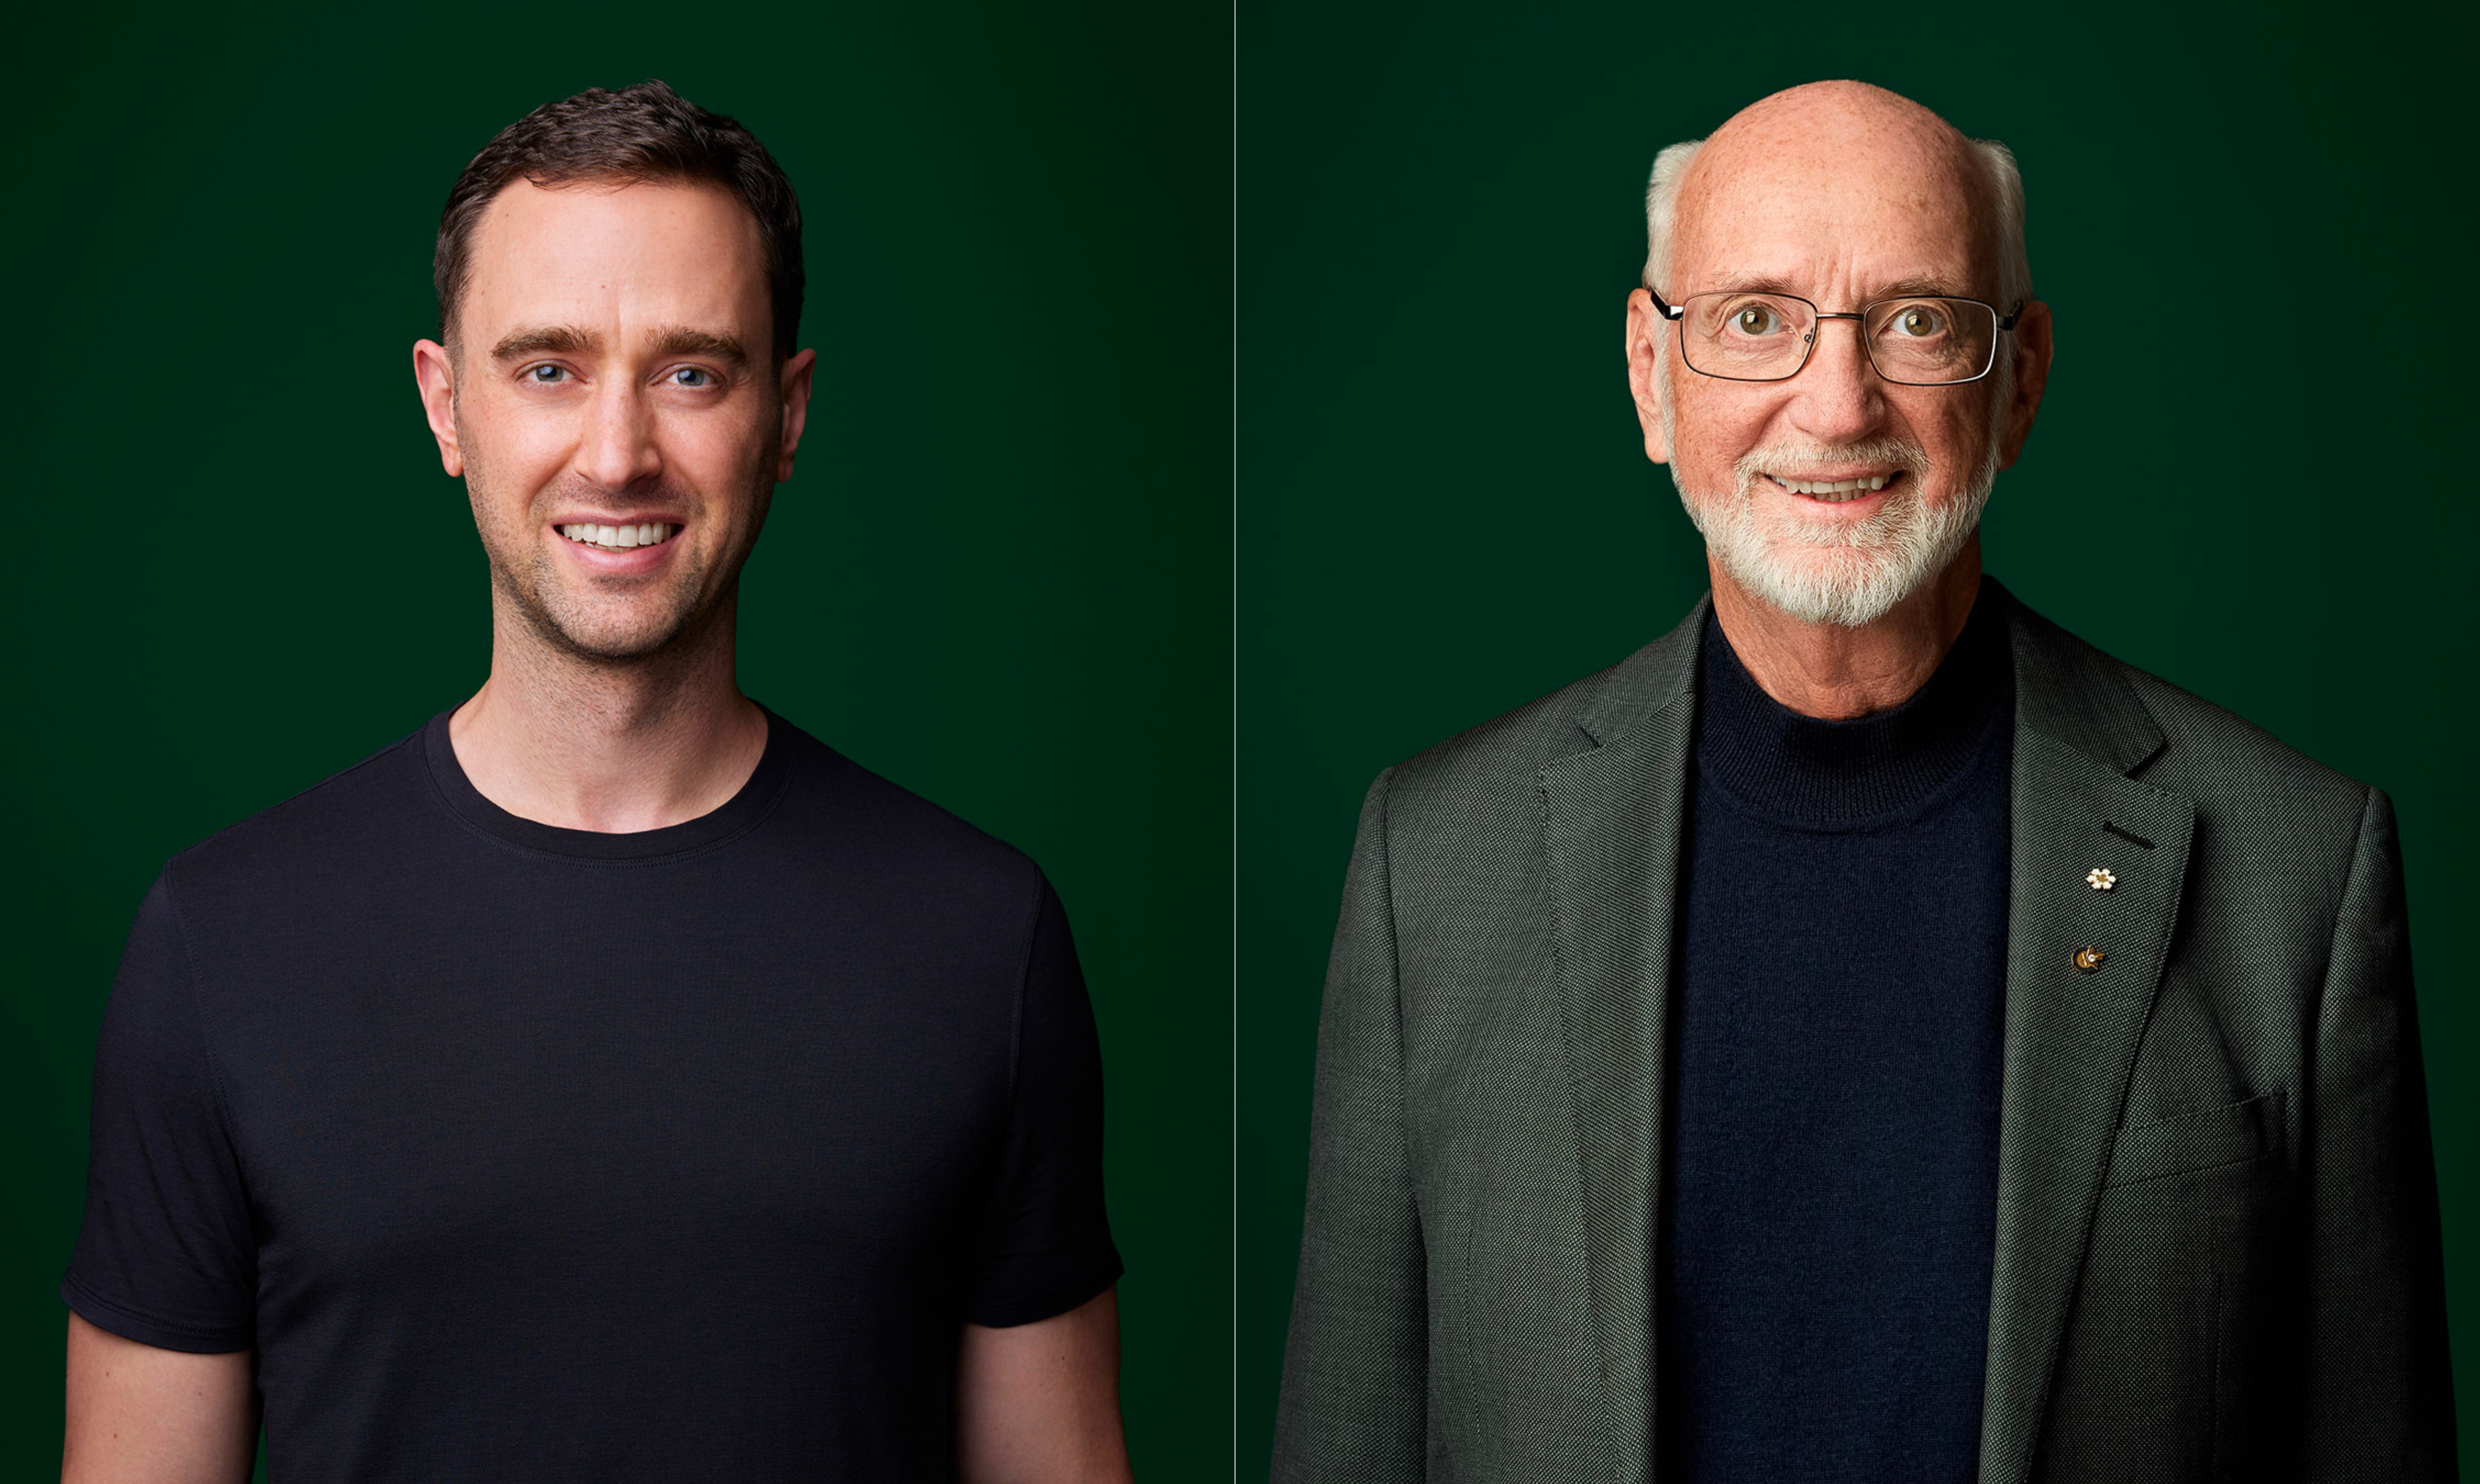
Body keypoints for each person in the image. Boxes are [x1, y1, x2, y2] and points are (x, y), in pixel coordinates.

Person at [1271, 79, 2453, 1481]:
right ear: (1652, 378)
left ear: (2017, 381)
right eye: (1755, 320)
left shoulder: (2296, 871)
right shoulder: (1435, 864)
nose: (1836, 408)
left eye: (1915, 321)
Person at [61, 81, 1131, 1483]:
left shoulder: (982, 937)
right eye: (548, 368)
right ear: (448, 407)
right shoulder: (219, 941)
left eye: (691, 372)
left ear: (787, 415)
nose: (619, 452)